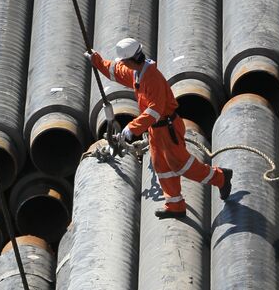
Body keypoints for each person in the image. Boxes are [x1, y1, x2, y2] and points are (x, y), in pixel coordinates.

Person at [87, 37, 233, 218]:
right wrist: (97, 60)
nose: (123, 64)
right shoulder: (137, 73)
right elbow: (115, 71)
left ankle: (221, 178)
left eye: (124, 61)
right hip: (156, 131)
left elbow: (155, 110)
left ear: (131, 60)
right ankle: (175, 205)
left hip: (167, 128)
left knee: (182, 165)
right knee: (162, 167)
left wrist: (132, 128)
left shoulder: (152, 78)